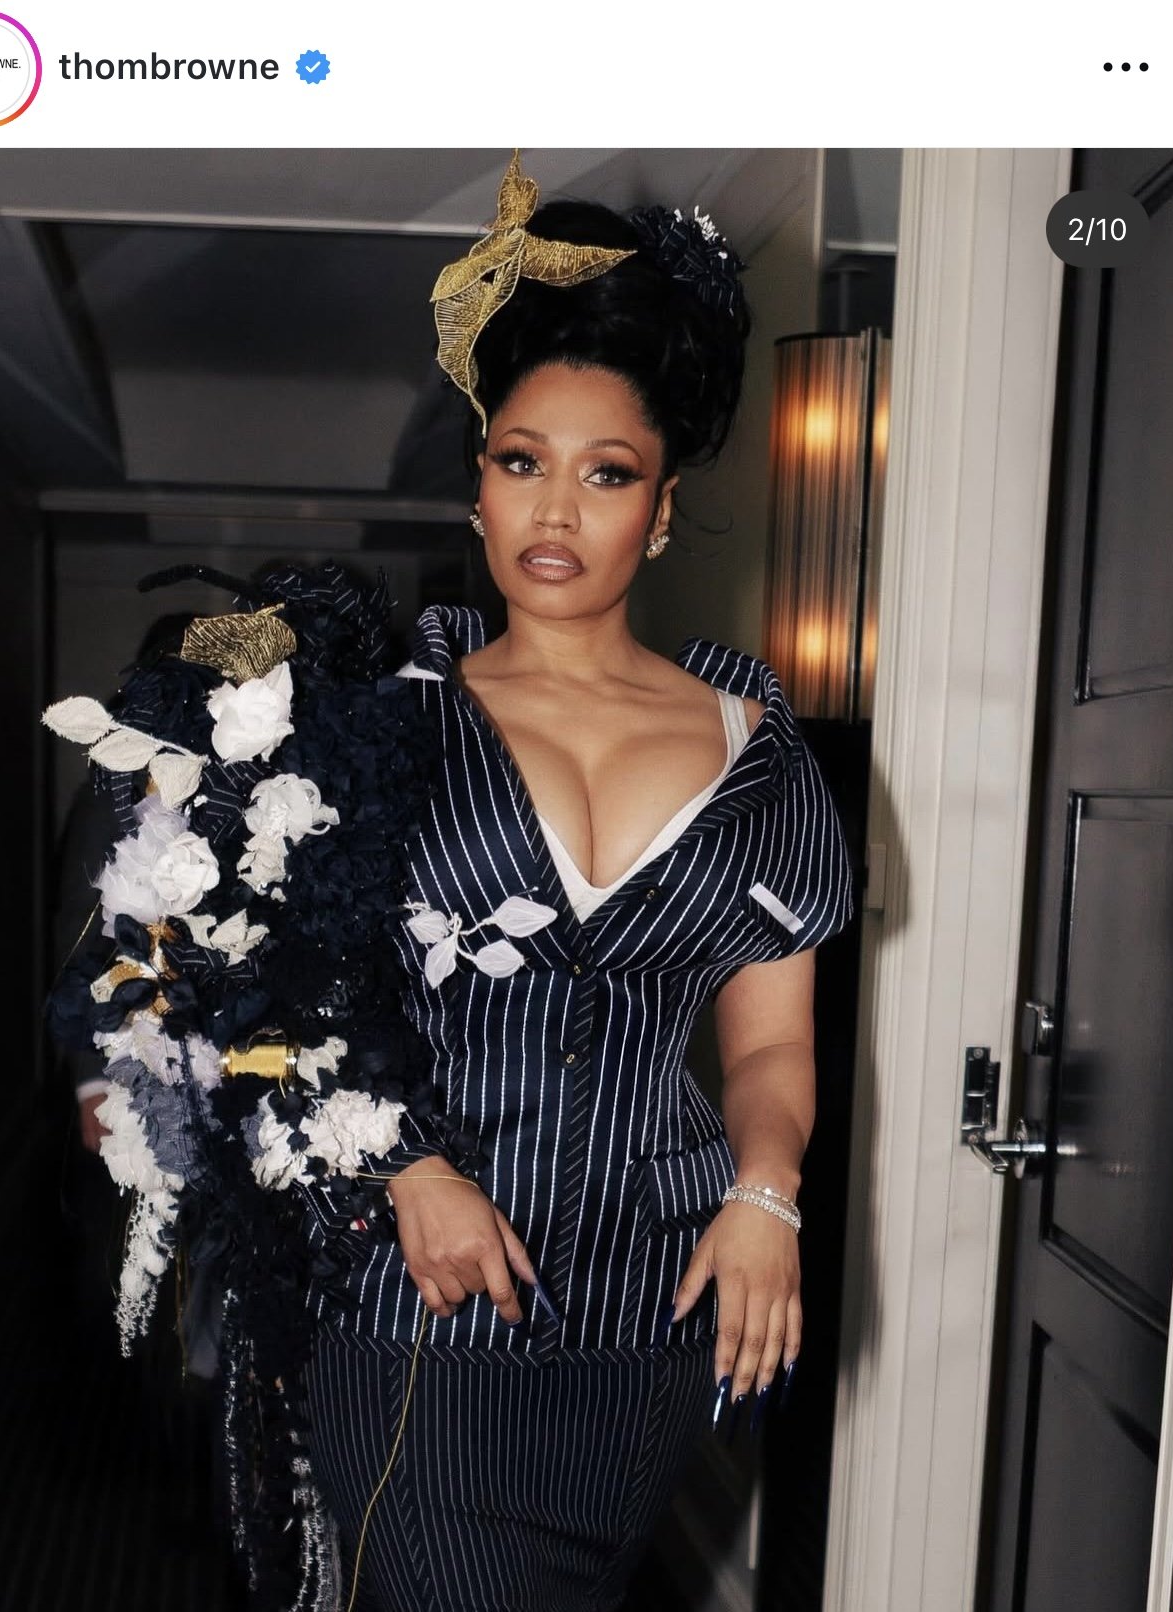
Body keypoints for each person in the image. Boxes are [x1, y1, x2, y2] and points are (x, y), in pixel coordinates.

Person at [297, 153, 857, 1612]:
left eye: (606, 474)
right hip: (417, 1305)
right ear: (478, 492)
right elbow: (285, 1002)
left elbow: (773, 1040)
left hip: (651, 1321)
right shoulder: (372, 727)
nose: (557, 508)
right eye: (520, 460)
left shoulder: (760, 750)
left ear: (659, 513)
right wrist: (408, 1169)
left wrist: (769, 1198)